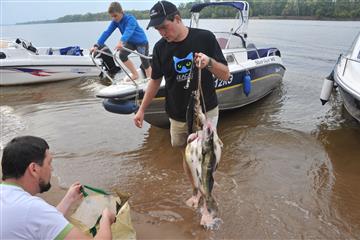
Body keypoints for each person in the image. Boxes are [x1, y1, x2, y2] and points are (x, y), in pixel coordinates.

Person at [133, 1, 230, 147]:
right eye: (157, 29)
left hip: (206, 112)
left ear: (177, 19)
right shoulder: (160, 48)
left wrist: (209, 62)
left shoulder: (205, 38)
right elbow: (155, 81)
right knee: (182, 154)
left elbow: (225, 75)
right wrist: (141, 110)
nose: (162, 33)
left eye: (164, 27)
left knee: (207, 154)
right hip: (177, 116)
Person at [0, 136, 115, 240]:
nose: (52, 169)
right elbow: (39, 217)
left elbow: (40, 223)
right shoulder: (32, 209)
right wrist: (106, 219)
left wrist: (68, 199)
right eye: (49, 163)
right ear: (34, 169)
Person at [91, 2, 151, 80]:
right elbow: (107, 32)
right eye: (112, 16)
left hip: (141, 42)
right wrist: (96, 45)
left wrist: (121, 41)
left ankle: (150, 78)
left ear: (121, 12)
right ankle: (135, 74)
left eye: (115, 15)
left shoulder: (130, 19)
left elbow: (128, 31)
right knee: (122, 55)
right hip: (130, 42)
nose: (114, 18)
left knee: (144, 61)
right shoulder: (115, 22)